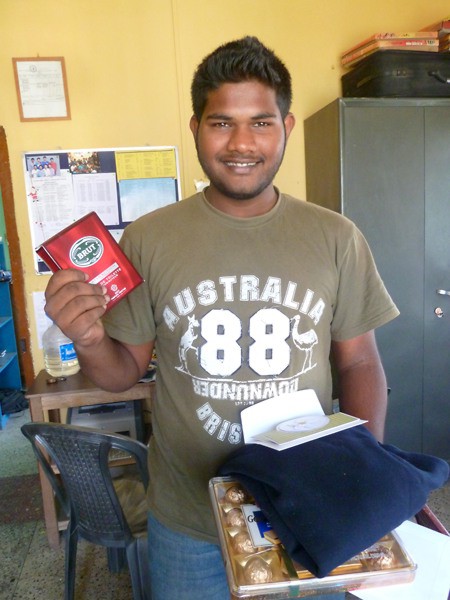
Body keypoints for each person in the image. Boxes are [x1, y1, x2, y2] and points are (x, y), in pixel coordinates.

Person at [44, 36, 399, 600]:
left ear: (286, 126)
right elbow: (121, 373)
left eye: (261, 122)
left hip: (308, 507)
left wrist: (360, 478)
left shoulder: (336, 237)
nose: (241, 143)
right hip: (189, 522)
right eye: (221, 123)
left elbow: (358, 362)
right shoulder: (150, 239)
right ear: (195, 129)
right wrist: (88, 339)